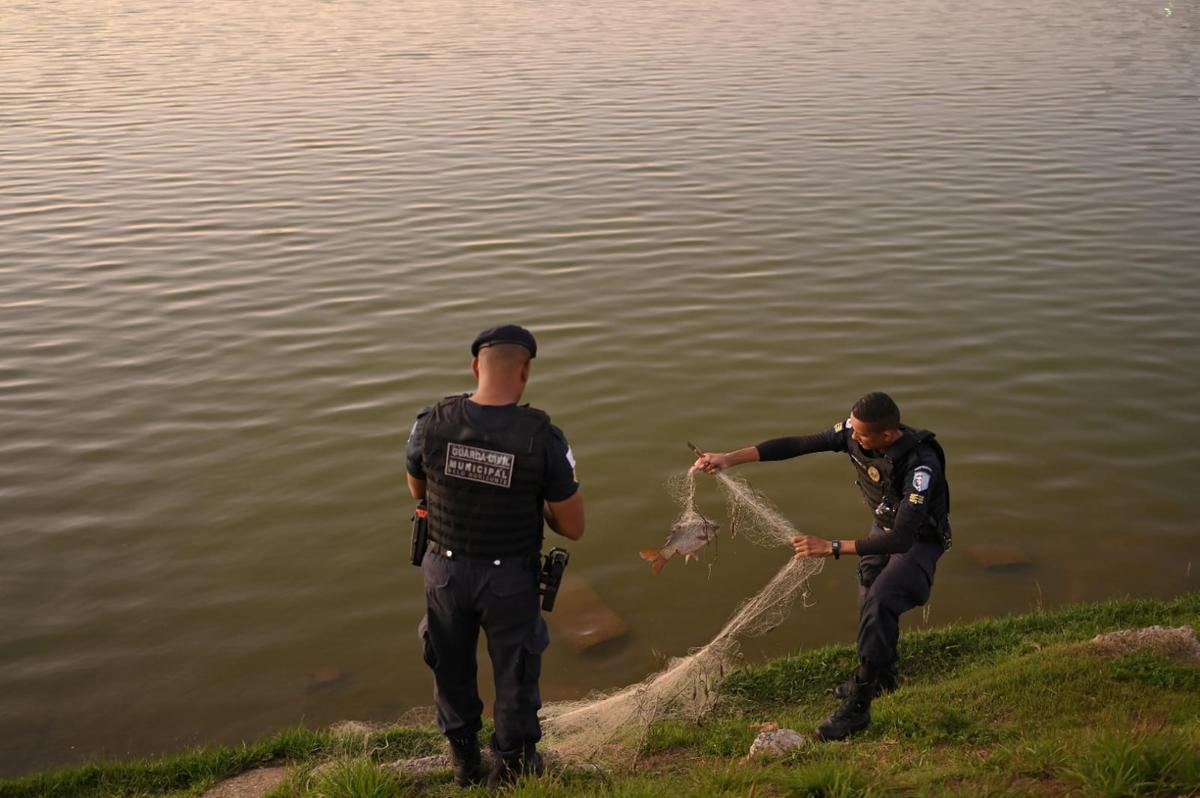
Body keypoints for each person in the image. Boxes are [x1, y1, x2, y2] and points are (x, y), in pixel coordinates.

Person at [692, 391, 950, 741]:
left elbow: (903, 539)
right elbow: (799, 444)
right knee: (867, 594)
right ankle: (883, 675)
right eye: (852, 430)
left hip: (917, 539)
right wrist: (728, 458)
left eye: (861, 435)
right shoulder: (854, 433)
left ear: (888, 435)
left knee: (882, 600)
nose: (852, 438)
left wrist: (831, 547)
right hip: (882, 527)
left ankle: (859, 705)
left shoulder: (921, 465)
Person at [405, 324, 585, 788]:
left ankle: (464, 761)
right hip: (509, 578)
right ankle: (513, 767)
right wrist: (533, 498)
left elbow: (417, 488)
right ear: (524, 372)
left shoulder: (430, 422)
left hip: (443, 571)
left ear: (474, 367)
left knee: (449, 665)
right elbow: (573, 526)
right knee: (516, 670)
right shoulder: (546, 439)